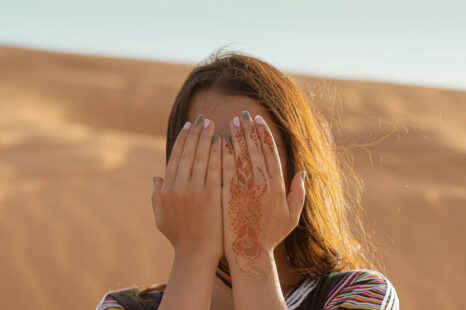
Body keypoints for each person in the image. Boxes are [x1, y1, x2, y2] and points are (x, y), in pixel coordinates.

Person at [96, 49, 400, 310]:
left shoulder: (360, 295)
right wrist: (193, 257)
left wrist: (251, 253)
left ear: (296, 170)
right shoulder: (122, 306)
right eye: (207, 151)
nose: (232, 174)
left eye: (253, 151)